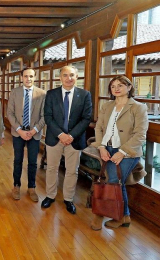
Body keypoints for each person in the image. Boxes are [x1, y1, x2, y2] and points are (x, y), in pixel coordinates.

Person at [90, 75, 148, 230]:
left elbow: (140, 134)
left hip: (128, 152)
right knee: (116, 182)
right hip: (106, 148)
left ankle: (100, 214)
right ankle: (124, 216)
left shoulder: (138, 107)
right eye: (113, 86)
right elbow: (99, 128)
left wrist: (122, 151)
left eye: (120, 85)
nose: (116, 88)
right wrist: (101, 147)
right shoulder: (107, 106)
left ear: (129, 87)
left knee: (113, 181)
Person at [42, 65, 92, 214]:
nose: (68, 78)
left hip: (74, 140)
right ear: (60, 77)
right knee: (51, 169)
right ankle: (50, 196)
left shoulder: (84, 95)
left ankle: (68, 199)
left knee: (72, 171)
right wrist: (60, 135)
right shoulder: (51, 94)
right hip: (54, 138)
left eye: (72, 75)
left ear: (77, 77)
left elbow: (86, 118)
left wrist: (71, 136)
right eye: (65, 75)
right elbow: (48, 117)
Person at [7, 67, 46, 201]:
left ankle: (32, 187)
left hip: (34, 133)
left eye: (31, 76)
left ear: (34, 77)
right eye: (25, 76)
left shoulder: (42, 94)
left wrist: (34, 130)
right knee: (17, 160)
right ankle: (16, 185)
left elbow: (44, 115)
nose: (28, 79)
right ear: (21, 78)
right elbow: (10, 113)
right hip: (18, 133)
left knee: (33, 162)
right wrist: (19, 130)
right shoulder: (15, 92)